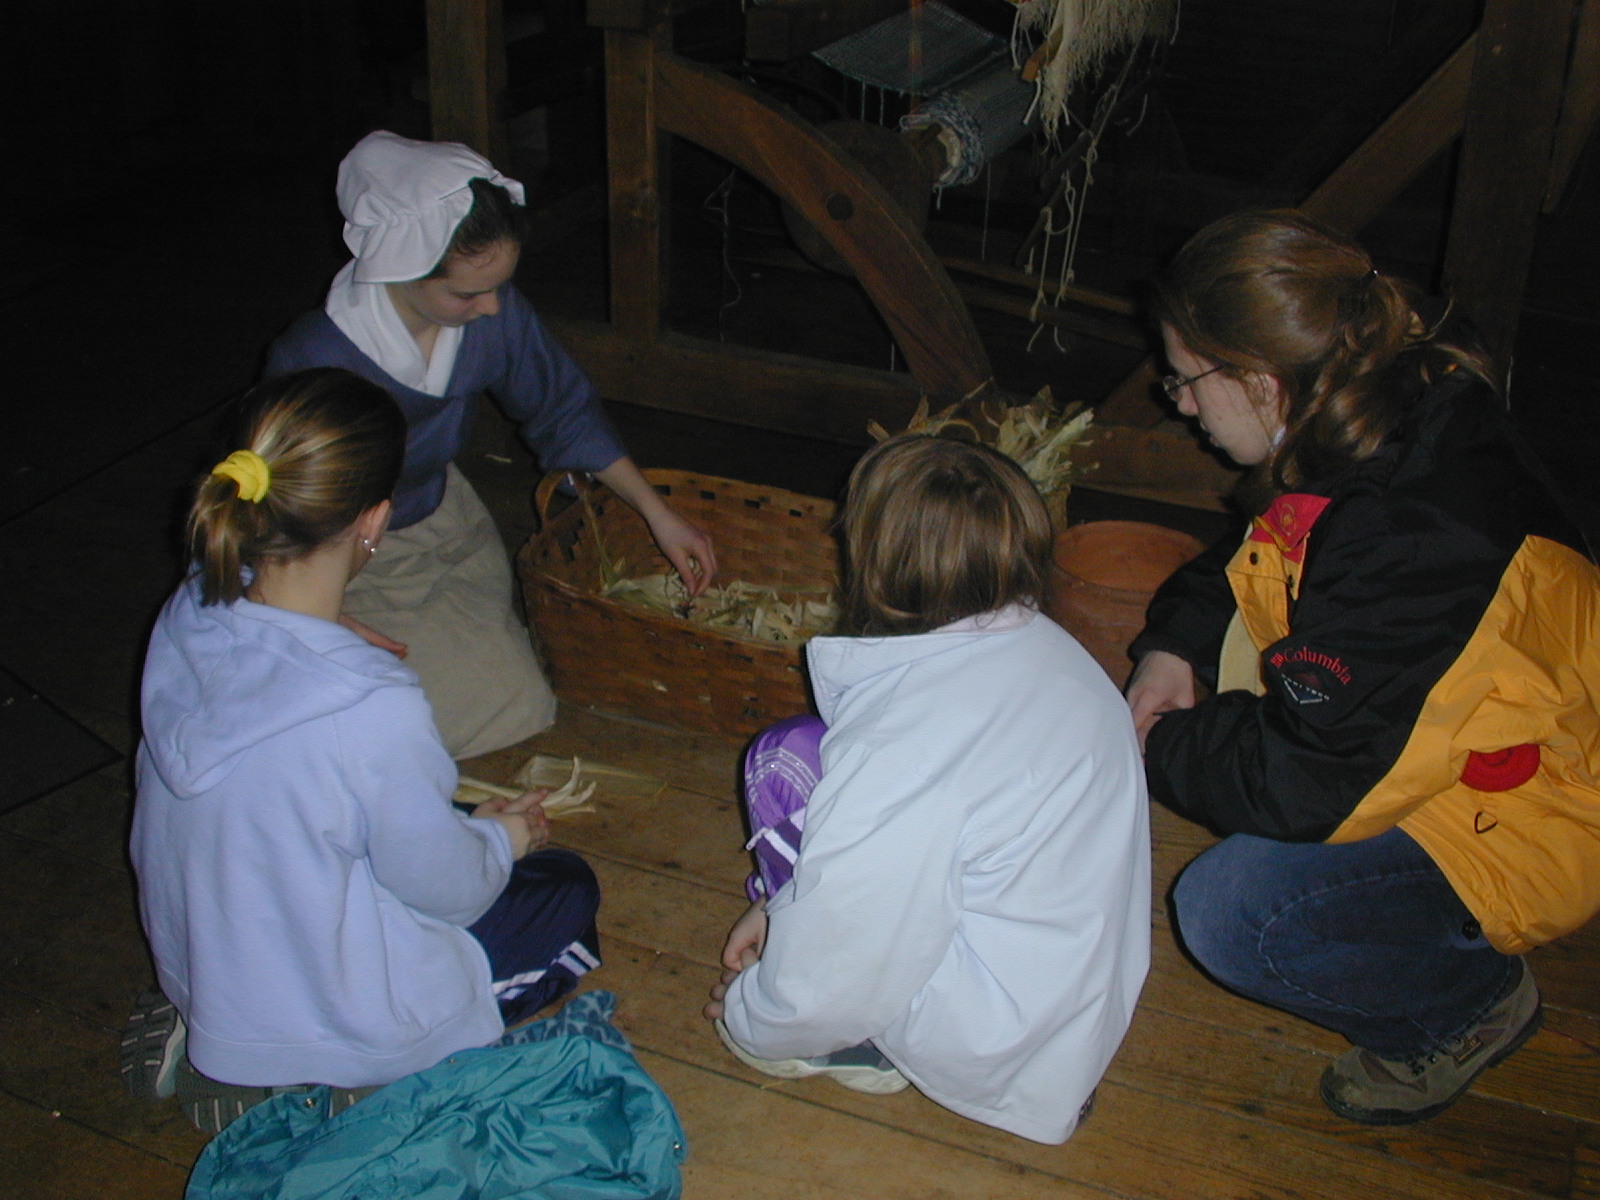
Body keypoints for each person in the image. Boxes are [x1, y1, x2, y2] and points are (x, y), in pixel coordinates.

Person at [1126, 208, 1600, 1125]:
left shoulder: (1410, 545)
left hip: (1542, 805)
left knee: (1233, 914)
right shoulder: (1373, 404)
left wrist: (1163, 742)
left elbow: (1304, 785)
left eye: (1186, 381)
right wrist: (1172, 646)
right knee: (1226, 654)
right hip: (1470, 721)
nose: (1175, 402)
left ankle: (1467, 1011)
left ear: (1260, 383)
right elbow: (1261, 544)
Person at [124, 368, 603, 1134]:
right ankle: (336, 1080)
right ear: (375, 521)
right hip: (328, 997)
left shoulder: (190, 605)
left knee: (405, 821)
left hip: (205, 947)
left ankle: (212, 1027)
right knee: (565, 896)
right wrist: (504, 837)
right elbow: (447, 890)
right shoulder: (372, 703)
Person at [704, 435, 1151, 1145]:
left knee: (784, 761)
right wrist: (786, 908)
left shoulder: (908, 747)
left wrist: (754, 1015)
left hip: (993, 1042)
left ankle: (859, 1046)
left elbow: (849, 953)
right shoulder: (1058, 653)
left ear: (877, 566)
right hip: (1065, 1004)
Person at [266, 130, 716, 759]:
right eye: (467, 292)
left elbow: (561, 406)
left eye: (500, 285)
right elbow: (273, 516)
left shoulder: (490, 315)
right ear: (400, 266)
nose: (492, 308)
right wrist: (317, 616)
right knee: (469, 715)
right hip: (349, 556)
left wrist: (658, 512)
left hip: (447, 522)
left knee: (514, 686)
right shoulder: (317, 359)